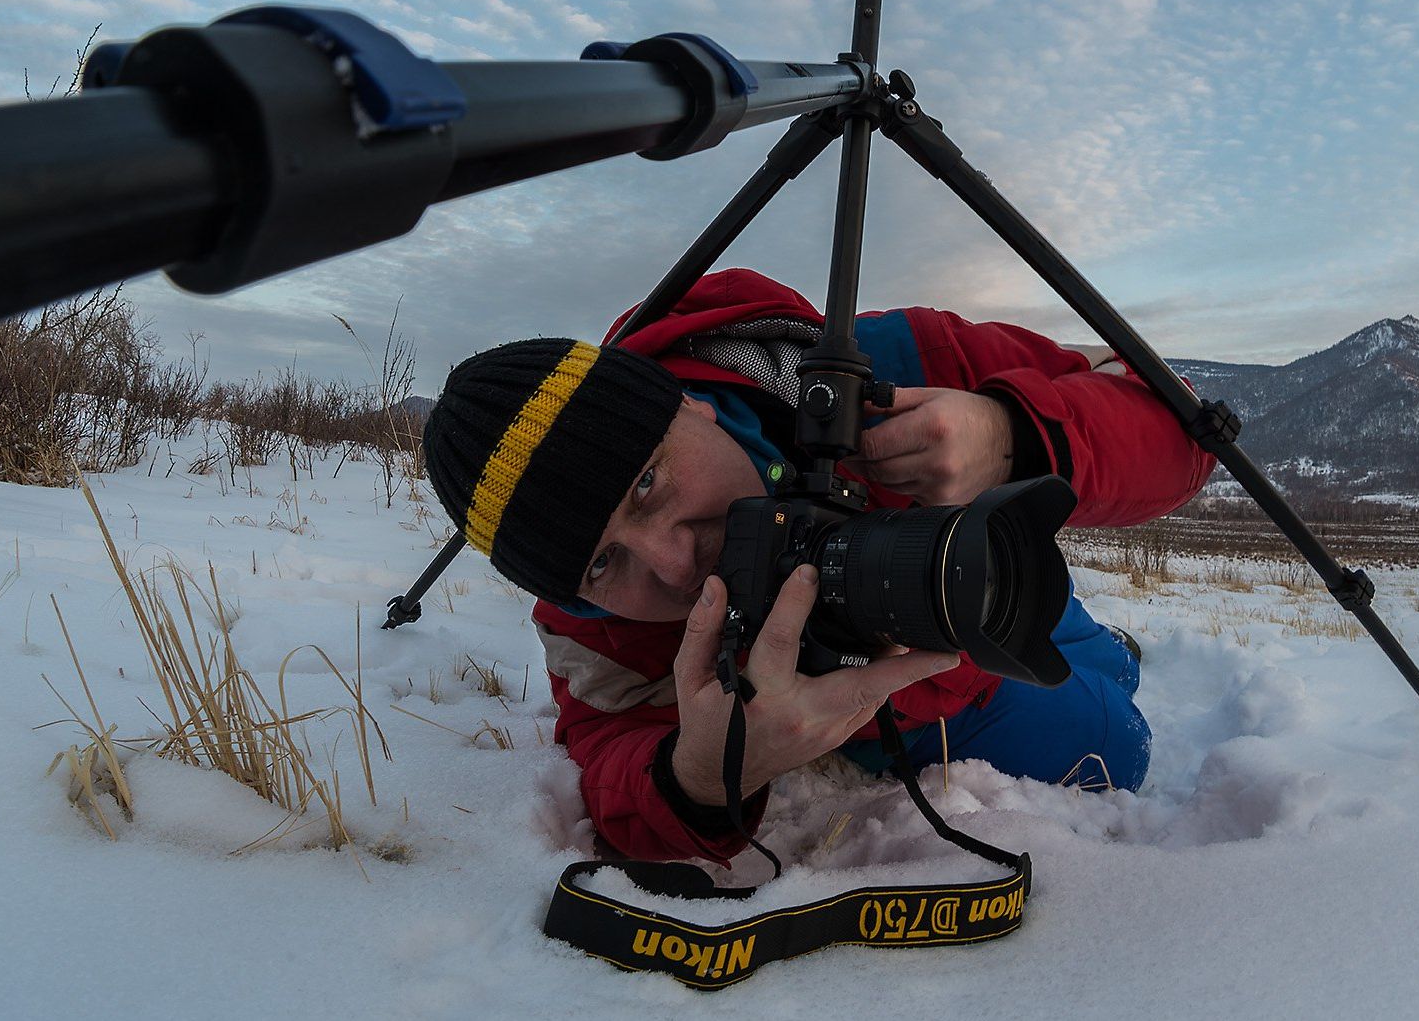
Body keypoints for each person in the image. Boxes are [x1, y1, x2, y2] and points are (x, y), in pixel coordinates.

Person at [422, 269, 1215, 862]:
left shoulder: (864, 367)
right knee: (1117, 745)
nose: (671, 562)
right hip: (918, 709)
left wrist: (1008, 431)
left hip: (986, 580)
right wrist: (700, 775)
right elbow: (610, 758)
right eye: (601, 563)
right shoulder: (588, 628)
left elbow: (1186, 429)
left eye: (646, 482)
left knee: (1073, 634)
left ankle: (1109, 648)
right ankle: (1103, 667)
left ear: (687, 404)